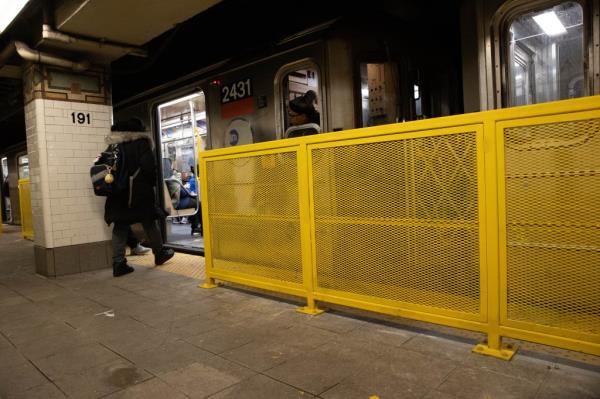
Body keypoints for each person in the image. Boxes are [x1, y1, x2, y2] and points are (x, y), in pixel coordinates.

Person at [104, 118, 174, 277]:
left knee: (120, 225)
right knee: (149, 220)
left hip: (118, 193)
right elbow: (149, 168)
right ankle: (160, 253)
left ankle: (118, 263)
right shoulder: (141, 143)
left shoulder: (113, 144)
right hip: (139, 192)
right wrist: (151, 184)